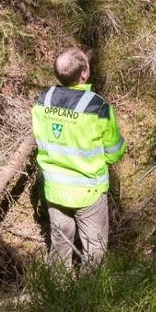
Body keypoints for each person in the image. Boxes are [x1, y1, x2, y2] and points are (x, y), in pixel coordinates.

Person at [31, 47, 126, 267]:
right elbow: (114, 152)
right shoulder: (97, 107)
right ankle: (89, 297)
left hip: (54, 189)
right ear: (84, 73)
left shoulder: (43, 100)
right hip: (89, 193)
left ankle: (56, 293)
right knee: (95, 249)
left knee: (60, 247)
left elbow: (42, 139)